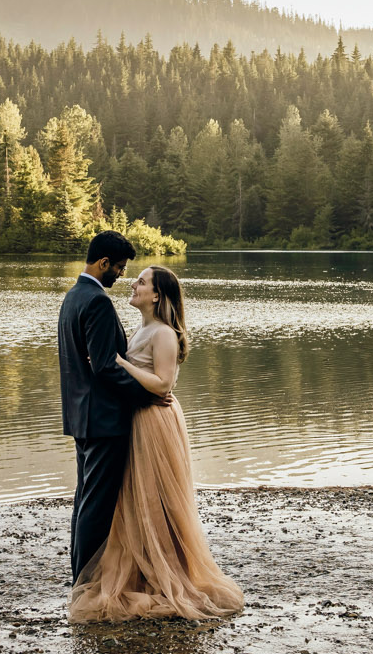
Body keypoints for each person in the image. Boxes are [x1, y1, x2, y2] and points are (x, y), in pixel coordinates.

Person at [67, 263, 243, 622]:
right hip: (137, 417)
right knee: (136, 498)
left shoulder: (163, 332)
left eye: (142, 282)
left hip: (155, 419)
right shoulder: (142, 329)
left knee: (156, 497)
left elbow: (163, 385)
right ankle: (144, 569)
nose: (134, 284)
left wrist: (119, 362)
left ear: (157, 295)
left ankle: (166, 574)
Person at [58, 229, 164, 583]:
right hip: (103, 420)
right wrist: (147, 396)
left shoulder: (73, 296)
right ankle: (85, 583)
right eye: (118, 267)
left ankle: (79, 576)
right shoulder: (98, 301)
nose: (121, 275)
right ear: (103, 262)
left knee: (84, 500)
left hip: (79, 416)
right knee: (97, 507)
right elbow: (105, 366)